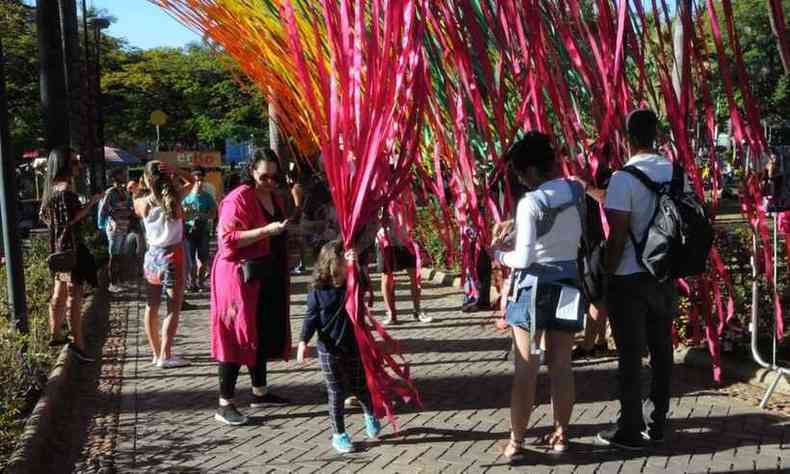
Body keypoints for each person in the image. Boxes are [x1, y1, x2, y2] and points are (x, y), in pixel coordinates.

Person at [489, 131, 586, 460]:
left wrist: (499, 254)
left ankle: (516, 442)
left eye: (518, 173)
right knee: (562, 364)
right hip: (569, 283)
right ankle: (561, 435)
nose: (519, 179)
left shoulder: (530, 202)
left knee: (526, 367)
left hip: (533, 289)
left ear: (530, 171)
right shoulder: (576, 190)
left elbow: (525, 258)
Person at [596, 109, 681, 450]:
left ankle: (629, 428)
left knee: (630, 354)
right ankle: (657, 422)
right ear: (656, 135)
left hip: (629, 276)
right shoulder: (675, 172)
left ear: (627, 137)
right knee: (662, 350)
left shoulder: (623, 178)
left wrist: (606, 271)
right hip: (663, 273)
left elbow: (617, 235)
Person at [211, 149, 292, 426]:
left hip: (264, 273)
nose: (269, 181)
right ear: (251, 172)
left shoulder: (275, 196)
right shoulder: (238, 198)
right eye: (263, 176)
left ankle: (260, 391)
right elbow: (227, 241)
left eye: (274, 176)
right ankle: (225, 404)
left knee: (260, 329)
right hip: (236, 276)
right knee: (236, 334)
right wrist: (265, 231)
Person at [296, 240, 382, 453]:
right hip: (328, 349)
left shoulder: (352, 284)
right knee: (336, 393)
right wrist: (302, 342)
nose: (346, 264)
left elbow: (363, 287)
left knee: (361, 387)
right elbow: (311, 318)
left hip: (352, 346)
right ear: (331, 264)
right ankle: (339, 435)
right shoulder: (317, 290)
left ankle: (370, 414)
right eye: (343, 260)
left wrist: (357, 267)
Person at [39, 147, 102, 363]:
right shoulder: (66, 190)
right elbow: (73, 217)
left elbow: (45, 217)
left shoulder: (50, 190)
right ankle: (78, 344)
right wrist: (91, 203)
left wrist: (58, 229)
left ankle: (55, 335)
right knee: (74, 297)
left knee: (58, 293)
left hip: (57, 249)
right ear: (65, 165)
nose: (79, 166)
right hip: (71, 249)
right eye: (75, 162)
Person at [134, 161, 192, 369]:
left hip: (152, 256)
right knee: (172, 308)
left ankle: (155, 353)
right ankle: (166, 356)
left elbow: (141, 204)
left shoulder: (141, 202)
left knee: (151, 306)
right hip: (172, 255)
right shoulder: (175, 198)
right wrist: (176, 170)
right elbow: (192, 181)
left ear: (147, 179)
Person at [377, 205, 432, 325]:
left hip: (406, 239)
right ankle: (391, 313)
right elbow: (374, 218)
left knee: (415, 275)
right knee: (386, 277)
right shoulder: (379, 192)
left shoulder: (404, 190)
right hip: (386, 240)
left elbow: (413, 212)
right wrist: (381, 218)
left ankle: (417, 311)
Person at [182, 166, 217, 292]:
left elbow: (214, 213)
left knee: (203, 259)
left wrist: (204, 215)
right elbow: (180, 214)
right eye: (196, 180)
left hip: (203, 230)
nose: (199, 183)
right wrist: (186, 213)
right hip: (189, 230)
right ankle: (192, 284)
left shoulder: (207, 197)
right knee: (190, 259)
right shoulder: (185, 196)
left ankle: (201, 283)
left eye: (201, 180)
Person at [101, 171, 134, 293]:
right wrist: (115, 213)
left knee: (121, 255)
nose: (124, 177)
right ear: (114, 179)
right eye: (121, 176)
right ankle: (112, 283)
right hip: (114, 227)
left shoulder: (125, 192)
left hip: (124, 226)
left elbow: (131, 206)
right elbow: (104, 210)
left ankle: (119, 281)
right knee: (113, 255)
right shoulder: (110, 193)